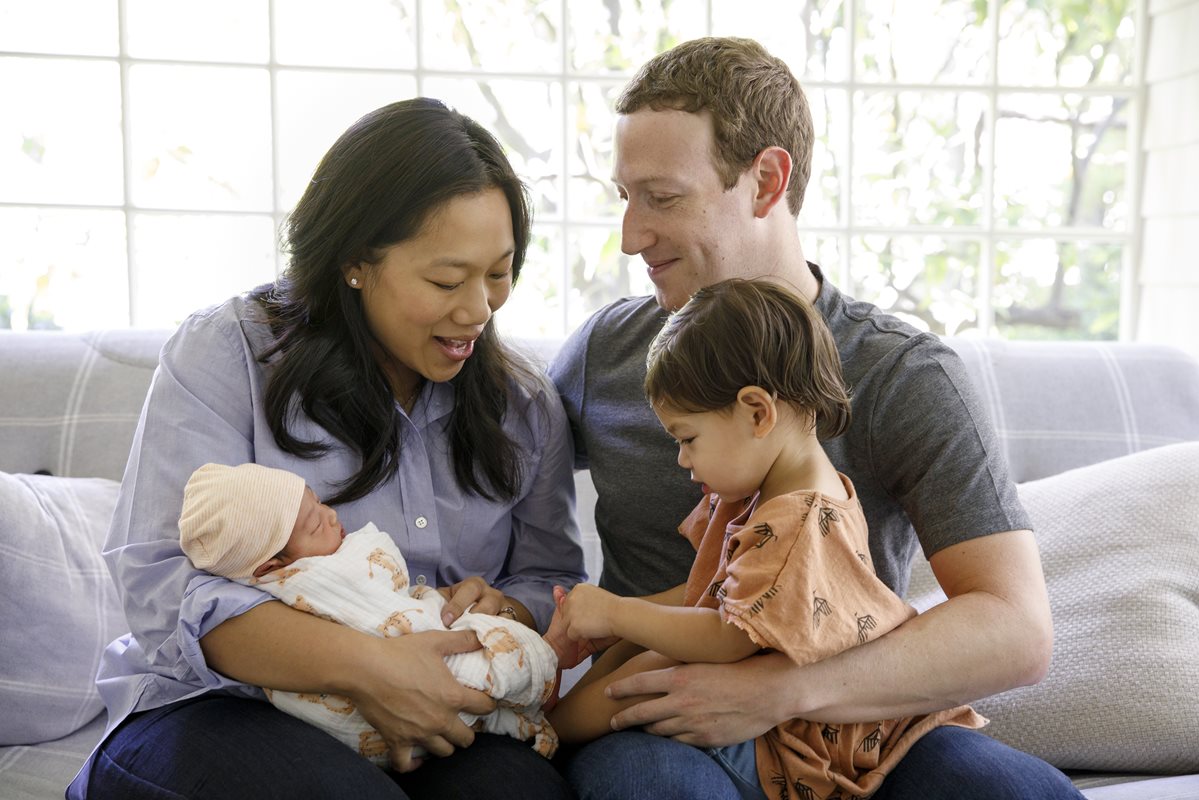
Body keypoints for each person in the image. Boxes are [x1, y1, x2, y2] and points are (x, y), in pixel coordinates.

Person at [548, 37, 1084, 799]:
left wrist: (781, 692)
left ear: (766, 180)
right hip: (664, 725)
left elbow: (1015, 630)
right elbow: (481, 460)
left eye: (662, 198)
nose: (632, 236)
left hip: (854, 727)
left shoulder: (900, 372)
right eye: (625, 198)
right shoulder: (609, 351)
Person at [72, 98, 585, 800]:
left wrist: (512, 609)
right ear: (354, 261)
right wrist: (370, 668)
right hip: (221, 706)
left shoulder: (523, 407)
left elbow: (550, 575)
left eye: (500, 273)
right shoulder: (231, 354)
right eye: (446, 279)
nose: (478, 310)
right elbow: (163, 586)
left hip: (442, 704)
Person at [549, 278, 987, 800]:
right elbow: (708, 595)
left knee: (649, 673)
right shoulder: (780, 492)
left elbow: (728, 635)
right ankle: (549, 728)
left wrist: (619, 614)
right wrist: (614, 615)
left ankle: (544, 736)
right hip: (800, 705)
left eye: (688, 439)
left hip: (810, 747)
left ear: (758, 412)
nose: (683, 460)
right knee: (637, 649)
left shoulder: (797, 518)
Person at [178, 461, 563, 765]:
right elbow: (390, 626)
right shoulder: (311, 578)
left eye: (319, 502)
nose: (330, 516)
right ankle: (533, 681)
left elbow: (395, 600)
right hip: (387, 709)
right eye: (314, 524)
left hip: (409, 689)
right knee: (484, 675)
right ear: (269, 567)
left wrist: (439, 599)